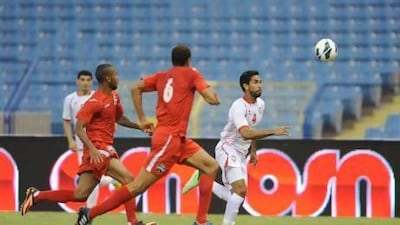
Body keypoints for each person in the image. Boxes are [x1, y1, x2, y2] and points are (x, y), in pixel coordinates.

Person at [75, 44, 221, 225]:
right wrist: (207, 87)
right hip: (168, 139)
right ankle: (89, 215)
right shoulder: (192, 74)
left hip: (179, 139)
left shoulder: (162, 76)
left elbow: (136, 87)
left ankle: (200, 221)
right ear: (188, 60)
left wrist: (143, 118)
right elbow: (213, 99)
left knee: (210, 166)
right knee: (136, 186)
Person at [20, 64, 155, 225]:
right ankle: (132, 222)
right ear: (107, 78)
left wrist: (140, 127)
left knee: (81, 195)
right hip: (98, 148)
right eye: (116, 75)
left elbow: (119, 119)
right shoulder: (95, 101)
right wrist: (92, 149)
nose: (118, 78)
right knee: (129, 179)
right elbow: (78, 128)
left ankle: (36, 196)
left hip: (100, 149)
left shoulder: (114, 97)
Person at [182, 70, 290, 225]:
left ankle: (203, 178)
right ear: (245, 86)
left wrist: (253, 151)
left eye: (260, 82)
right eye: (255, 82)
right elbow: (246, 133)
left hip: (241, 153)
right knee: (240, 190)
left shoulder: (260, 105)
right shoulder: (238, 107)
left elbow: (251, 128)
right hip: (228, 147)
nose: (260, 85)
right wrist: (273, 131)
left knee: (238, 196)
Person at [62, 69, 120, 208]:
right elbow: (67, 120)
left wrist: (113, 124)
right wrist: (70, 140)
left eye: (88, 80)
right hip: (81, 143)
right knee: (91, 179)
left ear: (92, 82)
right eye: (82, 80)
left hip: (97, 144)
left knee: (92, 178)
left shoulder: (97, 96)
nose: (85, 83)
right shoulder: (70, 99)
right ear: (77, 81)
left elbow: (109, 113)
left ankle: (89, 210)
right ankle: (111, 181)